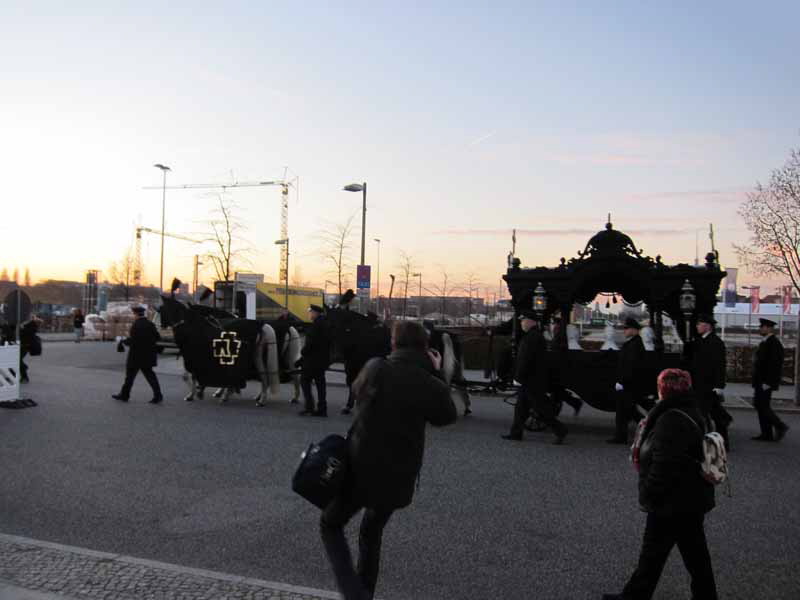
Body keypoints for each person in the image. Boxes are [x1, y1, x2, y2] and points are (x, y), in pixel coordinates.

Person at [320, 320, 457, 600]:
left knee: (330, 524)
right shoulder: (429, 383)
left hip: (359, 469)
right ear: (426, 347)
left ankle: (353, 591)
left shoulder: (376, 367)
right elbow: (446, 416)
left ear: (393, 343)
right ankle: (365, 592)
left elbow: (357, 394)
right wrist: (437, 372)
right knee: (372, 532)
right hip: (399, 476)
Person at [603, 368, 717, 600]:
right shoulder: (693, 410)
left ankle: (635, 596)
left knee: (654, 553)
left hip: (671, 499)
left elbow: (665, 464)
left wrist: (648, 492)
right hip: (691, 495)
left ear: (664, 389)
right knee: (693, 554)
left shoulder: (670, 418)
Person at [502, 310, 568, 444]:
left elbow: (526, 360)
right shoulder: (533, 336)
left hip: (531, 381)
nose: (521, 323)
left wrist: (518, 377)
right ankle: (516, 433)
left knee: (540, 409)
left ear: (530, 322)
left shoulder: (532, 337)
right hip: (531, 380)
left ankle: (560, 429)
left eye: (523, 320)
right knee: (521, 408)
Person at [689, 314, 733, 450]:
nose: (697, 326)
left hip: (709, 385)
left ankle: (720, 442)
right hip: (700, 384)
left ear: (707, 326)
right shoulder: (701, 341)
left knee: (706, 414)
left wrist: (719, 385)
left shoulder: (715, 342)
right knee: (712, 413)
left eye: (699, 324)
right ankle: (720, 440)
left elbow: (720, 365)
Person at [341, 311, 391, 415]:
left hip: (361, 361)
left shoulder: (363, 330)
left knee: (356, 383)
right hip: (374, 362)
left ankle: (352, 404)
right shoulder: (382, 330)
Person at [608, 318, 648, 444]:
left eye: (626, 328)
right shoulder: (633, 343)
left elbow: (630, 366)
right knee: (627, 411)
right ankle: (622, 435)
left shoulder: (635, 344)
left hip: (628, 384)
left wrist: (621, 382)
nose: (624, 331)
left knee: (624, 411)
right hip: (628, 383)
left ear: (634, 330)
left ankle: (624, 435)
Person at [112, 306, 163, 403]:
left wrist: (122, 341)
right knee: (150, 376)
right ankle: (158, 395)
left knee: (130, 377)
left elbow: (133, 341)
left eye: (133, 314)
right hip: (148, 355)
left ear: (135, 314)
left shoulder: (136, 325)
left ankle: (124, 395)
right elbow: (158, 337)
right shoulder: (150, 324)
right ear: (143, 314)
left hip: (136, 356)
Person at [751, 318, 789, 442]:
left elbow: (775, 365)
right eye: (760, 327)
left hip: (765, 382)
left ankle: (780, 426)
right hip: (760, 381)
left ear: (769, 328)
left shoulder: (774, 343)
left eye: (762, 327)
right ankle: (766, 433)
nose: (760, 329)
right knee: (760, 405)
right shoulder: (765, 342)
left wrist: (768, 382)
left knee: (762, 406)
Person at [299, 304, 331, 417]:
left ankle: (309, 407)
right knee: (320, 384)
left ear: (316, 313)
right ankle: (322, 408)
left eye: (311, 312)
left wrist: (302, 352)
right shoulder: (325, 324)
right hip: (322, 360)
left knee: (304, 381)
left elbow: (310, 344)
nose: (310, 314)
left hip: (312, 360)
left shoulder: (316, 325)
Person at [19, 316, 41, 383]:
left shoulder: (30, 325)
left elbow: (28, 334)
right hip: (21, 344)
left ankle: (24, 377)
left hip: (25, 345)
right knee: (16, 360)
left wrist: (22, 328)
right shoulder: (23, 324)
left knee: (17, 360)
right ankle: (19, 372)